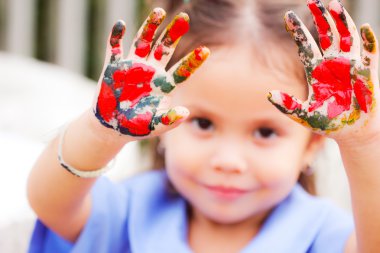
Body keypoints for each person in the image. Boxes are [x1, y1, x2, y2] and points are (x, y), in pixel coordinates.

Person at [27, 0, 380, 252]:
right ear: (160, 122)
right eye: (203, 123)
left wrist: (363, 144)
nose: (227, 160)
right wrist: (101, 130)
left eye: (265, 132)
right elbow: (50, 202)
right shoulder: (131, 210)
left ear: (312, 145)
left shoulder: (321, 234)